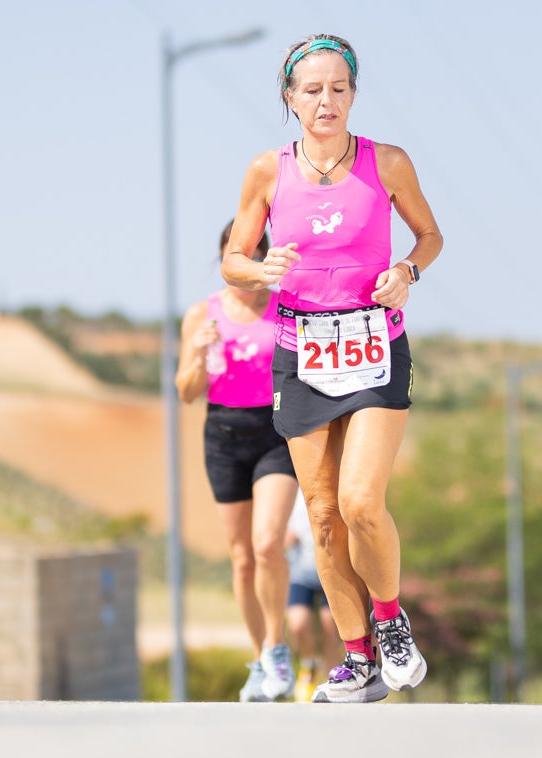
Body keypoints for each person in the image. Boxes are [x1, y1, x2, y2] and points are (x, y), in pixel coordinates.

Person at [222, 34, 443, 703]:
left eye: (338, 88)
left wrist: (407, 271)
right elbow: (234, 256)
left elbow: (430, 236)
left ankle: (389, 621)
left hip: (375, 345)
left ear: (353, 93)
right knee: (321, 516)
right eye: (312, 90)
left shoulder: (389, 162)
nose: (326, 101)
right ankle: (357, 662)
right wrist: (260, 270)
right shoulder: (267, 170)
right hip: (303, 352)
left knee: (359, 501)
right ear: (290, 98)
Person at [175, 221, 299, 702]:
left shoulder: (284, 309)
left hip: (274, 432)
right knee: (242, 558)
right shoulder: (200, 315)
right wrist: (198, 354)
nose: (244, 262)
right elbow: (186, 393)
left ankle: (277, 645)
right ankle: (259, 660)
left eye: (254, 253)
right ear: (225, 258)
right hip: (223, 435)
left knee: (268, 543)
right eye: (236, 252)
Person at [284, 490, 341, 702]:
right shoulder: (289, 483)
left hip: (331, 567)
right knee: (297, 624)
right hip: (300, 570)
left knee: (330, 626)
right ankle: (309, 665)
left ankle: (335, 678)